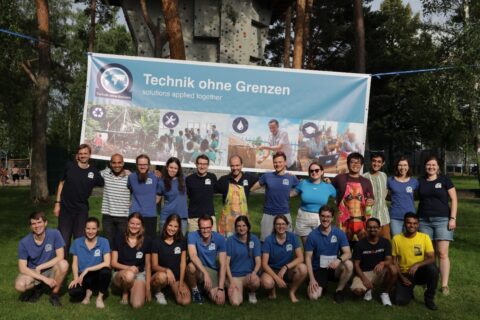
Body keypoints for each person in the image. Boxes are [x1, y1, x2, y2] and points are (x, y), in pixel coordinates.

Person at [53, 144, 104, 255]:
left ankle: (80, 266)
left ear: (89, 155)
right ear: (77, 155)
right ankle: (62, 265)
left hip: (81, 210)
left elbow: (104, 181)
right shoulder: (69, 166)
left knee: (80, 240)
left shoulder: (94, 172)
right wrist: (57, 203)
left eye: (85, 153)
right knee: (64, 240)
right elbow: (61, 183)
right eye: (80, 154)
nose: (83, 156)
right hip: (66, 209)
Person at [417, 155, 457, 296]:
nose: (431, 167)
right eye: (428, 164)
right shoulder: (420, 181)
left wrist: (452, 218)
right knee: (429, 254)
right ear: (425, 166)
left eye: (434, 165)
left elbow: (454, 199)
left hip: (443, 220)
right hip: (423, 221)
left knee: (442, 253)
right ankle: (430, 282)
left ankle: (444, 285)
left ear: (438, 166)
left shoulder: (445, 180)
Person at [15, 212, 69, 307]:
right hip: (33, 270)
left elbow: (60, 256)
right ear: (31, 226)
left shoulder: (55, 233)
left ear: (45, 223)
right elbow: (22, 268)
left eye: (39, 222)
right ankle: (36, 289)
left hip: (51, 268)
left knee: (64, 264)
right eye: (33, 224)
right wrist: (43, 278)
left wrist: (41, 266)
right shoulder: (23, 242)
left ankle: (54, 295)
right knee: (20, 285)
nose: (37, 226)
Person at [304, 206, 353, 303]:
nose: (325, 219)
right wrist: (312, 279)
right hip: (319, 269)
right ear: (319, 216)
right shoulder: (312, 235)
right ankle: (322, 286)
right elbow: (308, 258)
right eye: (323, 216)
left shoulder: (339, 233)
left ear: (332, 218)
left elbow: (348, 253)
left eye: (328, 216)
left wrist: (339, 260)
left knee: (349, 264)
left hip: (334, 268)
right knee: (313, 297)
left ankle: (339, 291)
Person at [392, 213, 439, 310]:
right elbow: (394, 261)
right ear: (404, 223)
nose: (412, 225)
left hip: (420, 272)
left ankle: (429, 299)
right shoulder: (396, 239)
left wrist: (417, 265)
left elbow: (432, 258)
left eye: (414, 223)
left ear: (418, 224)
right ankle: (407, 290)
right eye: (409, 223)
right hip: (405, 274)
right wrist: (401, 277)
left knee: (433, 268)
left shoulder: (424, 237)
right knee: (400, 301)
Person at [251, 151, 299, 241]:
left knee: (287, 240)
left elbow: (301, 188)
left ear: (285, 162)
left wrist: (291, 194)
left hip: (284, 213)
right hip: (268, 213)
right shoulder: (267, 176)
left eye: (280, 162)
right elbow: (252, 188)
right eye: (275, 162)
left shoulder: (291, 177)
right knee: (265, 240)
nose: (277, 164)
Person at [261, 215, 307, 303]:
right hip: (271, 270)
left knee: (303, 268)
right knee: (267, 283)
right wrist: (276, 278)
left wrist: (285, 267)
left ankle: (292, 291)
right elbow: (264, 264)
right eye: (278, 224)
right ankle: (272, 290)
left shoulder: (292, 237)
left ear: (287, 225)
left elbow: (301, 258)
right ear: (274, 226)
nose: (281, 226)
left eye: (283, 224)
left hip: (287, 270)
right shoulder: (269, 240)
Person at [351, 218, 396, 306]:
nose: (372, 229)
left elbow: (389, 260)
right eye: (370, 227)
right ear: (366, 228)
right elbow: (356, 264)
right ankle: (368, 289)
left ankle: (385, 293)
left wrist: (382, 263)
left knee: (393, 269)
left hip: (379, 271)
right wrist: (364, 279)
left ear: (379, 228)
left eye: (375, 227)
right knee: (357, 292)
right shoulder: (359, 244)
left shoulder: (385, 242)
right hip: (364, 272)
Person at [68, 217, 111, 308]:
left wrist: (88, 269)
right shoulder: (77, 242)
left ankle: (99, 297)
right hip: (83, 276)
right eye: (88, 228)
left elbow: (107, 263)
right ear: (84, 229)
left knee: (106, 272)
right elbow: (74, 263)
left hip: (97, 274)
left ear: (98, 229)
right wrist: (76, 278)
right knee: (73, 292)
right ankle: (88, 292)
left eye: (93, 229)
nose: (90, 231)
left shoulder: (104, 241)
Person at [331, 152, 374, 244]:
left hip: (361, 221)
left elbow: (371, 199)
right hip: (344, 221)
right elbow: (328, 190)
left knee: (361, 248)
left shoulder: (366, 181)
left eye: (358, 163)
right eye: (352, 162)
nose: (355, 165)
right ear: (347, 164)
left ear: (361, 165)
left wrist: (371, 201)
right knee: (343, 247)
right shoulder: (339, 178)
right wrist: (334, 201)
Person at [111, 213, 152, 308]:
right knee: (129, 275)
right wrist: (129, 268)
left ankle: (132, 289)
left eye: (138, 224)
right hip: (121, 273)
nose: (134, 226)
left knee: (137, 305)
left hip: (139, 274)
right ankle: (125, 292)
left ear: (141, 225)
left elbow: (148, 265)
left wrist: (148, 288)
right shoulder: (118, 238)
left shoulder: (147, 240)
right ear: (128, 223)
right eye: (132, 223)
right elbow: (113, 263)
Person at [291, 161, 336, 244]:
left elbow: (338, 198)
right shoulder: (303, 183)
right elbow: (292, 193)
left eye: (316, 170)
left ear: (322, 172)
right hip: (303, 216)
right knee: (307, 246)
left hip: (321, 217)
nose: (314, 172)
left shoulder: (328, 186)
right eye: (311, 171)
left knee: (320, 244)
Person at [151, 214, 191, 305]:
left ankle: (170, 290)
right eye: (170, 225)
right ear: (166, 225)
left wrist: (181, 284)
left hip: (175, 278)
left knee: (185, 301)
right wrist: (167, 270)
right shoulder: (156, 241)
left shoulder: (182, 241)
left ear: (179, 228)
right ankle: (157, 292)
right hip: (161, 275)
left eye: (175, 226)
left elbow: (183, 264)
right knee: (162, 277)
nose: (172, 229)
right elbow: (154, 266)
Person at [187, 215, 227, 305]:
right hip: (199, 269)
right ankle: (195, 291)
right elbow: (193, 256)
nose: (205, 230)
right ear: (199, 227)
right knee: (190, 266)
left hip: (213, 271)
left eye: (208, 227)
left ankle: (204, 289)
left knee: (220, 302)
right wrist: (205, 273)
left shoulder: (220, 238)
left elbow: (223, 264)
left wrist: (220, 289)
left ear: (212, 227)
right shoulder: (192, 236)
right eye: (203, 228)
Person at [215, 155, 259, 236]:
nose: (235, 168)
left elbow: (264, 181)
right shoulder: (224, 180)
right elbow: (209, 190)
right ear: (230, 166)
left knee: (243, 244)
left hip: (243, 222)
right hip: (227, 222)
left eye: (237, 165)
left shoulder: (249, 178)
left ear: (242, 165)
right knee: (226, 245)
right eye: (232, 166)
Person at [226, 216, 261, 306]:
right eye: (238, 226)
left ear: (248, 227)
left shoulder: (254, 239)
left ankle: (252, 293)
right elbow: (226, 264)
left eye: (244, 225)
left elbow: (258, 261)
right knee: (235, 303)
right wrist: (231, 281)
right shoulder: (230, 240)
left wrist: (254, 272)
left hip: (248, 275)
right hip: (235, 276)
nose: (241, 228)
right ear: (236, 228)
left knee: (255, 281)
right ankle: (235, 290)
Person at [127, 154, 161, 238]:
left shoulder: (155, 177)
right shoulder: (131, 177)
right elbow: (130, 190)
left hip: (150, 215)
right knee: (134, 240)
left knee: (149, 242)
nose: (142, 167)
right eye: (140, 164)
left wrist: (153, 202)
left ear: (148, 165)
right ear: (136, 165)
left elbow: (160, 192)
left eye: (145, 164)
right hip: (135, 215)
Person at [100, 153, 131, 245]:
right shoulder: (105, 173)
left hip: (124, 216)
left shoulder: (129, 176)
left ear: (123, 163)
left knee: (122, 243)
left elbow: (139, 189)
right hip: (108, 216)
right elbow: (89, 173)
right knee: (108, 243)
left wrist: (154, 172)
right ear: (110, 163)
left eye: (119, 162)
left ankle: (119, 259)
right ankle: (108, 259)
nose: (117, 165)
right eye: (114, 163)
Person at [387, 157, 418, 237]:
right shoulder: (390, 180)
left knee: (410, 241)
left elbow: (419, 196)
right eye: (400, 165)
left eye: (405, 165)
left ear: (408, 167)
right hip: (395, 217)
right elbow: (384, 195)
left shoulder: (414, 181)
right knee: (396, 241)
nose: (402, 168)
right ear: (397, 166)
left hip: (411, 217)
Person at [186, 155, 218, 232]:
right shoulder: (189, 179)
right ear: (196, 164)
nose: (202, 166)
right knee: (194, 242)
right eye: (200, 164)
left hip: (209, 216)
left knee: (212, 241)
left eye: (204, 164)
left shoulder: (212, 177)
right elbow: (189, 195)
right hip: (194, 218)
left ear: (208, 165)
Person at [363, 153, 390, 239]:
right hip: (369, 216)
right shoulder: (364, 177)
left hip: (383, 216)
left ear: (383, 163)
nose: (376, 164)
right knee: (370, 243)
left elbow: (386, 193)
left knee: (386, 242)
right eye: (374, 161)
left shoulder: (384, 175)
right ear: (370, 162)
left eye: (379, 162)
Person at [158, 157, 188, 235]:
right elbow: (156, 199)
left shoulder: (184, 180)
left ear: (178, 169)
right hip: (166, 217)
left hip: (181, 217)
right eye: (171, 167)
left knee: (179, 244)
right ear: (167, 167)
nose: (173, 170)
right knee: (163, 243)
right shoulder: (161, 182)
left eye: (175, 168)